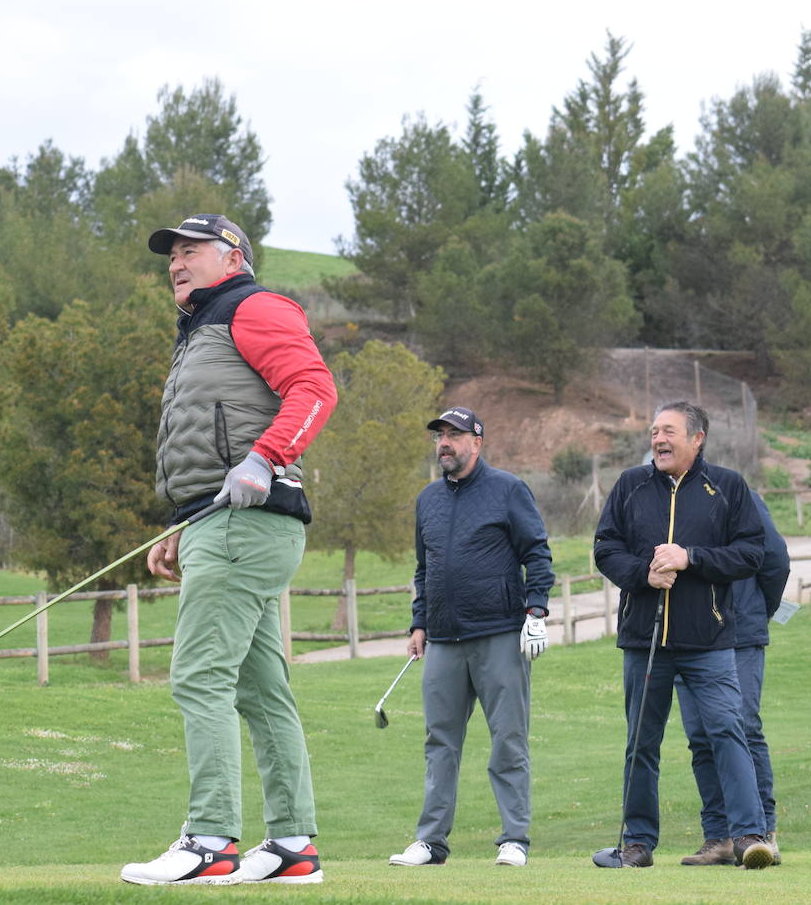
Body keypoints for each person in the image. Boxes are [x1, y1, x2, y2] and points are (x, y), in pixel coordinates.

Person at [120, 214, 337, 886]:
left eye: (192, 251)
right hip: (224, 522)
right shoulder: (203, 328)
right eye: (171, 255)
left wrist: (267, 458)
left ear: (233, 256)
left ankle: (211, 841)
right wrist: (184, 526)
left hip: (248, 520)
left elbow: (315, 389)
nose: (176, 263)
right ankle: (292, 844)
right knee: (260, 686)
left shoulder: (253, 306)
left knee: (198, 674)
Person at [592, 400, 773, 870]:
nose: (658, 439)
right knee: (641, 742)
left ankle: (750, 837)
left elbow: (752, 554)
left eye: (669, 431)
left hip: (708, 642)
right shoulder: (631, 485)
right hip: (643, 641)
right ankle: (637, 844)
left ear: (697, 438)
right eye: (654, 431)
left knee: (728, 732)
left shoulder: (728, 486)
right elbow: (605, 547)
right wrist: (643, 575)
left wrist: (690, 557)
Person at [389, 407, 555, 870]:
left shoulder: (508, 490)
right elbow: (425, 568)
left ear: (477, 443)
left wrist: (536, 610)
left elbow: (537, 553)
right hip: (442, 638)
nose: (444, 443)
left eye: (454, 435)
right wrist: (419, 623)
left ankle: (514, 839)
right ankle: (431, 841)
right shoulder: (428, 499)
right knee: (439, 740)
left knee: (508, 738)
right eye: (440, 435)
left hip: (499, 633)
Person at [677, 490, 790, 866]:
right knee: (701, 735)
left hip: (739, 632)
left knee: (741, 726)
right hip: (689, 635)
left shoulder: (735, 495)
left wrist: (758, 610)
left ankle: (763, 831)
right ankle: (720, 836)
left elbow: (775, 561)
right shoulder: (663, 502)